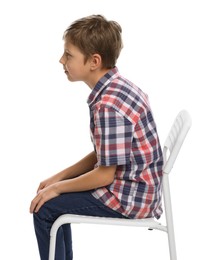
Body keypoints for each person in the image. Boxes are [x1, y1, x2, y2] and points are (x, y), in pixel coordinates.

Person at [30, 14, 163, 260]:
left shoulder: (108, 105)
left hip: (130, 198)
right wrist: (58, 178)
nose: (61, 59)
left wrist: (58, 189)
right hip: (139, 189)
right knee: (53, 203)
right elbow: (105, 154)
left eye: (68, 55)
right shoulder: (118, 87)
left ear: (94, 61)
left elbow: (104, 174)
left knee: (46, 209)